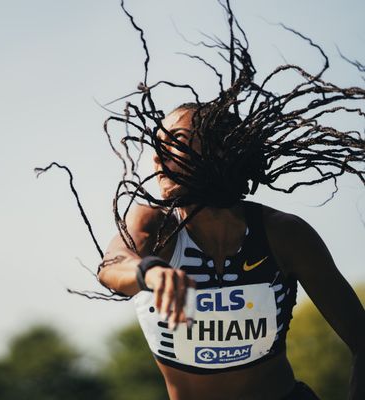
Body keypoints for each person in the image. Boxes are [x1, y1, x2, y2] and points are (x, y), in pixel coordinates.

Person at [97, 104, 365, 400]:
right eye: (158, 147)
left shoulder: (283, 234)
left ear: (223, 150)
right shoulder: (155, 225)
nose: (158, 157)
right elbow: (111, 266)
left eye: (176, 141)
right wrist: (149, 272)